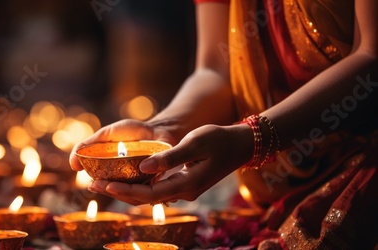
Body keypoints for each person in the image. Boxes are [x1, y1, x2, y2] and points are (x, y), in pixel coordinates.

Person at [70, 0, 378, 248]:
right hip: (268, 183)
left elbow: (371, 60)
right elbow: (216, 70)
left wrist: (251, 139)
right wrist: (161, 129)